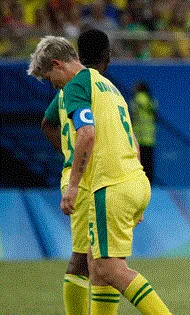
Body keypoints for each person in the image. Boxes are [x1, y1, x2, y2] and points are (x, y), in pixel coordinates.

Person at [28, 36, 171, 315]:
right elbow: (132, 138)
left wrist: (72, 186)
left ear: (57, 64)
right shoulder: (109, 87)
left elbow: (87, 132)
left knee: (108, 268)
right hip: (132, 179)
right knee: (97, 269)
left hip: (111, 184)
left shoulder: (75, 85)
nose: (53, 85)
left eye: (50, 77)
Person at [40, 28, 114, 315]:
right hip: (84, 178)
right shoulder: (88, 87)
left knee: (97, 259)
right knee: (88, 259)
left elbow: (47, 124)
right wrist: (73, 156)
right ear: (107, 57)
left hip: (86, 175)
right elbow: (88, 133)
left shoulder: (70, 89)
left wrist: (68, 152)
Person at [129, 81, 157, 183]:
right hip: (150, 138)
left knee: (139, 163)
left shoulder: (136, 100)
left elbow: (131, 117)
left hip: (138, 138)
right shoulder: (151, 101)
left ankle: (139, 184)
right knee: (149, 164)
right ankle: (149, 184)